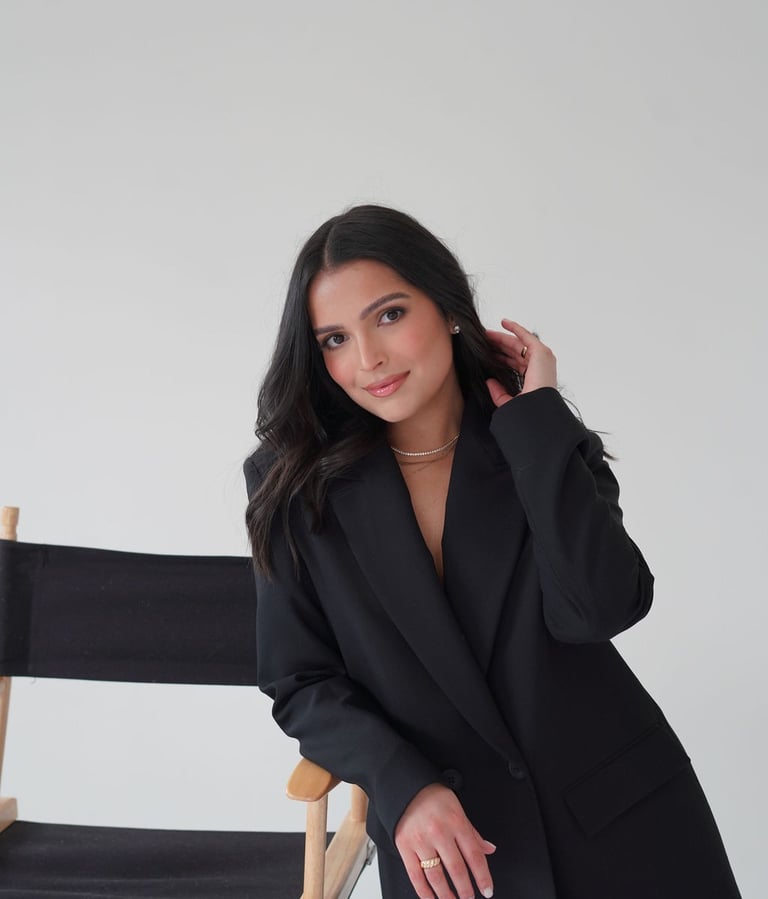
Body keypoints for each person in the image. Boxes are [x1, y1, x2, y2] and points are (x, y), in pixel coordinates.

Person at [244, 204, 741, 899]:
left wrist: (537, 424)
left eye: (390, 315)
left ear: (449, 308)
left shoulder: (539, 441)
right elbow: (301, 679)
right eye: (334, 338)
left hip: (623, 830)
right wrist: (402, 784)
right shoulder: (295, 484)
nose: (367, 359)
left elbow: (600, 610)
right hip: (452, 855)